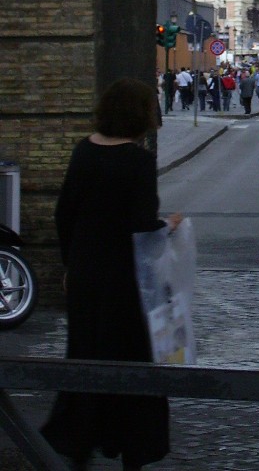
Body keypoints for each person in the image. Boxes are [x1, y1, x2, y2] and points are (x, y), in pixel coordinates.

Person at [42, 78, 182, 471]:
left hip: (87, 274)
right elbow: (139, 224)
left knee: (85, 355)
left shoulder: (83, 152)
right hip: (125, 282)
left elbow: (63, 213)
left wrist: (71, 264)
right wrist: (168, 226)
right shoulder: (138, 162)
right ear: (141, 116)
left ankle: (79, 445)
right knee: (132, 363)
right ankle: (133, 453)